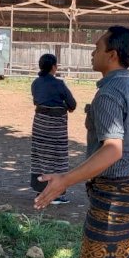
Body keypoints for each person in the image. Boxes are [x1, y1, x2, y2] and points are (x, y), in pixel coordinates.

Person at [34, 26, 129, 258]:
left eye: (97, 48)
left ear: (111, 55)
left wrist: (65, 179)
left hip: (114, 197)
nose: (92, 52)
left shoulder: (109, 94)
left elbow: (112, 151)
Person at [30, 53, 77, 205]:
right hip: (56, 127)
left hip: (39, 124)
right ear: (53, 67)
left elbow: (37, 101)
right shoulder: (59, 84)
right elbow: (72, 104)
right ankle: (56, 194)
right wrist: (63, 106)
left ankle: (40, 189)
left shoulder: (36, 83)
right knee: (57, 158)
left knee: (41, 156)